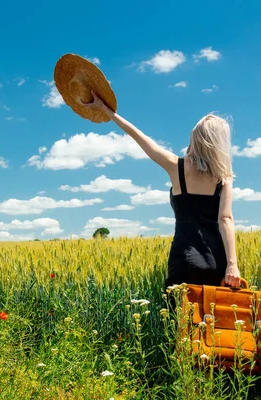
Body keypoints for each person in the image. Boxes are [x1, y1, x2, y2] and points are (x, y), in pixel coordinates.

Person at [80, 91, 241, 291]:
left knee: (180, 320)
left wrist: (107, 112)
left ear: (196, 139)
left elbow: (140, 138)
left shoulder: (177, 167)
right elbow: (226, 219)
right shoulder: (224, 177)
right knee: (214, 319)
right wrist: (232, 265)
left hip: (185, 259)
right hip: (217, 261)